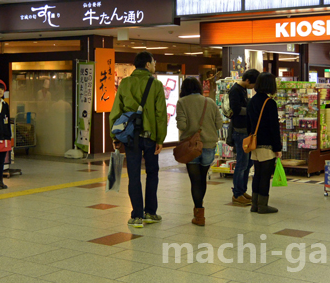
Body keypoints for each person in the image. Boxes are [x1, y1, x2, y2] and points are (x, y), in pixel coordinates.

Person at [109, 52, 167, 228]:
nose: (155, 65)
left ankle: (136, 216)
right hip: (150, 137)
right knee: (152, 173)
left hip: (130, 136)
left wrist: (115, 136)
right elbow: (160, 114)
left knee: (134, 175)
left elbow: (116, 110)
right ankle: (150, 212)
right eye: (154, 62)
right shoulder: (155, 85)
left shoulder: (125, 83)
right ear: (148, 65)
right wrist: (160, 139)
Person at [176, 77, 222, 226]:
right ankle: (200, 213)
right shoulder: (210, 102)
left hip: (191, 147)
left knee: (195, 181)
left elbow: (182, 125)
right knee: (202, 179)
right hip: (208, 145)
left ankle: (199, 214)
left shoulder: (182, 102)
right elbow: (219, 124)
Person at [246, 72, 282, 214]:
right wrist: (277, 147)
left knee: (257, 174)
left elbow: (248, 124)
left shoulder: (251, 101)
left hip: (254, 143)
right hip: (267, 144)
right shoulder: (270, 103)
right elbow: (274, 128)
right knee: (265, 176)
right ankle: (263, 205)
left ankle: (254, 204)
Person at [228, 69, 260, 206]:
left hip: (245, 131)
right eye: (253, 84)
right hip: (239, 131)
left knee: (248, 163)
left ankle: (241, 190)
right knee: (241, 164)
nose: (254, 87)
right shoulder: (235, 90)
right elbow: (236, 109)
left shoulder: (242, 89)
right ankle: (237, 194)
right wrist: (251, 109)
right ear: (248, 81)